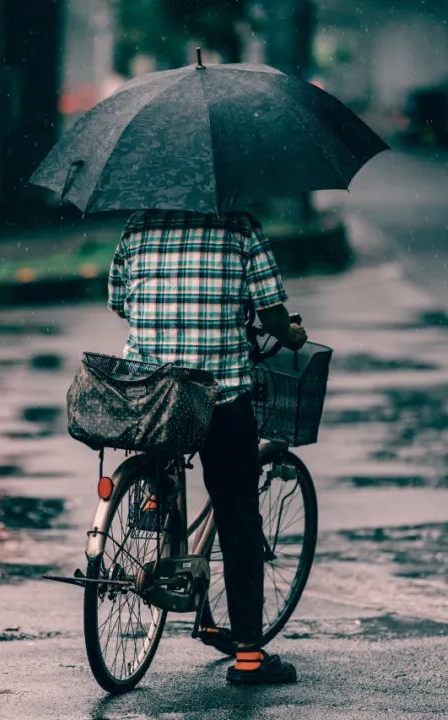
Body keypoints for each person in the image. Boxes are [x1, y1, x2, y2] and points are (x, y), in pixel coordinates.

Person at [108, 208, 307, 685]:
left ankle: (151, 497)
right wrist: (292, 334)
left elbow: (120, 303)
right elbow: (272, 312)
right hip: (220, 396)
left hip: (152, 394)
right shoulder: (239, 228)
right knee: (238, 515)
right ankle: (248, 660)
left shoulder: (136, 227)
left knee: (165, 448)